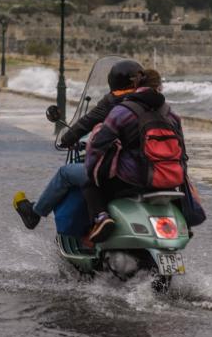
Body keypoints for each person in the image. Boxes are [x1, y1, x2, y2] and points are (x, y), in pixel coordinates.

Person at [12, 60, 144, 230]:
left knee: (66, 173)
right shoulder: (155, 103)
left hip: (122, 173)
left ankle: (34, 213)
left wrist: (67, 139)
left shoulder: (114, 102)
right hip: (154, 173)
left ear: (113, 81)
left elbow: (85, 123)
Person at [82, 68, 184, 242]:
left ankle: (101, 219)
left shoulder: (124, 111)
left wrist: (92, 170)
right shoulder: (171, 115)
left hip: (134, 180)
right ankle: (184, 225)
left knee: (90, 184)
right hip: (169, 179)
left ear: (136, 85)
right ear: (160, 87)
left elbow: (99, 144)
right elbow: (182, 153)